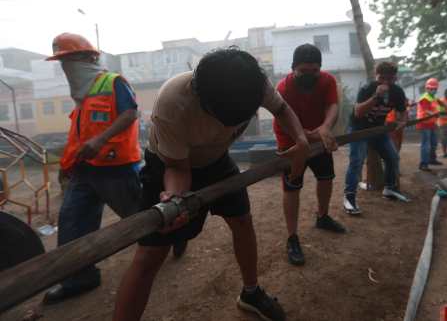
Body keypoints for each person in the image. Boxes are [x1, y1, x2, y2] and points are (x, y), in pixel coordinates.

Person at [113, 48, 309, 321]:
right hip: (169, 165)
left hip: (217, 160)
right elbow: (177, 167)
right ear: (200, 96)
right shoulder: (173, 103)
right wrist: (175, 199)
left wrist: (300, 140)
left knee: (242, 221)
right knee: (150, 255)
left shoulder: (251, 82)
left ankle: (251, 293)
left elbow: (282, 109)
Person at [42, 33, 142, 304]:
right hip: (84, 171)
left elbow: (131, 113)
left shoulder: (114, 82)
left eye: (69, 60)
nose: (66, 68)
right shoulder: (82, 96)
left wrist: (100, 139)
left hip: (117, 170)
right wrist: (68, 165)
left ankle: (171, 237)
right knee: (73, 223)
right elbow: (78, 135)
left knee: (140, 218)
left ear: (88, 58)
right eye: (62, 63)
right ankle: (79, 278)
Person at [273, 44, 346, 266]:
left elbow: (332, 106)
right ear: (293, 68)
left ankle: (322, 217)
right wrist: (304, 137)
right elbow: (284, 120)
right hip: (291, 141)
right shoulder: (283, 89)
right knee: (292, 186)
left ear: (320, 69)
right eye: (303, 71)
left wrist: (325, 128)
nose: (309, 75)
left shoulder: (327, 81)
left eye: (314, 71)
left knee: (326, 178)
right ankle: (292, 237)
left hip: (318, 138)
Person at [343, 62, 408, 215]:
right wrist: (376, 96)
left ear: (395, 78)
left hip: (378, 129)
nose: (385, 82)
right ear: (376, 76)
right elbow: (358, 112)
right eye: (382, 78)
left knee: (392, 157)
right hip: (358, 129)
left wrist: (402, 122)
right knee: (356, 161)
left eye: (390, 79)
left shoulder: (397, 92)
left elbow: (402, 112)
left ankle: (390, 188)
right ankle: (349, 197)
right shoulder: (368, 89)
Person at [416, 78, 442, 172]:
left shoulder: (434, 98)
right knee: (426, 144)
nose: (432, 90)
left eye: (434, 89)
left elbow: (438, 107)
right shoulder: (425, 98)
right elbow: (426, 110)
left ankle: (432, 159)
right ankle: (423, 164)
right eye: (430, 88)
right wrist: (435, 114)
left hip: (432, 123)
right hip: (424, 123)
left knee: (434, 143)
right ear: (426, 88)